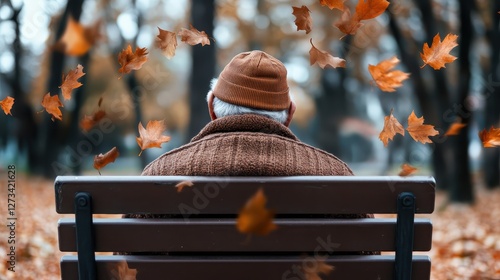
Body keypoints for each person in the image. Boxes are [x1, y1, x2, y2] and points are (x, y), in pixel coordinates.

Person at [124, 50, 376, 255]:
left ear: (212, 107)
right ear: (289, 115)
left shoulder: (158, 176)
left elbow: (125, 260)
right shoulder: (337, 178)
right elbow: (369, 257)